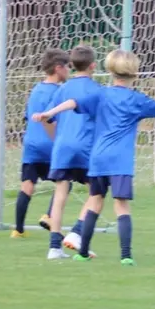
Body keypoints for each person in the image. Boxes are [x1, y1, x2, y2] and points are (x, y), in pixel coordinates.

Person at [36, 50, 155, 266]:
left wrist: (50, 113)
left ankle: (81, 251)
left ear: (109, 70)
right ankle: (126, 255)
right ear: (135, 73)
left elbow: (73, 102)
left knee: (95, 201)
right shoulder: (136, 99)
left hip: (98, 158)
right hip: (120, 161)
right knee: (121, 206)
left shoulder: (101, 95)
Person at [43, 45, 101, 260]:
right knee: (96, 192)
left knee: (59, 195)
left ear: (71, 65)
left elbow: (47, 119)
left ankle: (54, 248)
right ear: (93, 65)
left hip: (62, 147)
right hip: (86, 146)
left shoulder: (62, 89)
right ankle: (77, 232)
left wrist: (55, 139)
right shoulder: (97, 90)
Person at [14, 48, 68, 238]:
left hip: (31, 145)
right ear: (58, 68)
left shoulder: (36, 89)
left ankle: (18, 230)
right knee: (65, 181)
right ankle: (49, 215)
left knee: (27, 185)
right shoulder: (60, 92)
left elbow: (27, 116)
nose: (69, 71)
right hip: (50, 145)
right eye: (67, 67)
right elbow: (54, 118)